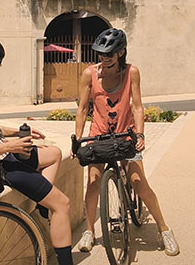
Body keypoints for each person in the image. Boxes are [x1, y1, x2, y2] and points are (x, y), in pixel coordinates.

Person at [0, 36, 74, 265]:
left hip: (3, 154)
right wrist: (10, 146)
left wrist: (16, 135)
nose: (0, 67)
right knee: (63, 204)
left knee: (55, 153)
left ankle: (42, 205)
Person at [75, 28, 180, 256]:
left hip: (126, 136)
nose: (104, 57)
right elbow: (83, 109)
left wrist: (140, 135)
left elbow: (137, 106)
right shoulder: (89, 74)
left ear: (121, 52)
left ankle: (164, 230)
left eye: (109, 53)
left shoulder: (132, 72)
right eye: (101, 53)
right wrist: (77, 139)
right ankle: (89, 231)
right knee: (93, 182)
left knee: (138, 182)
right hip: (98, 136)